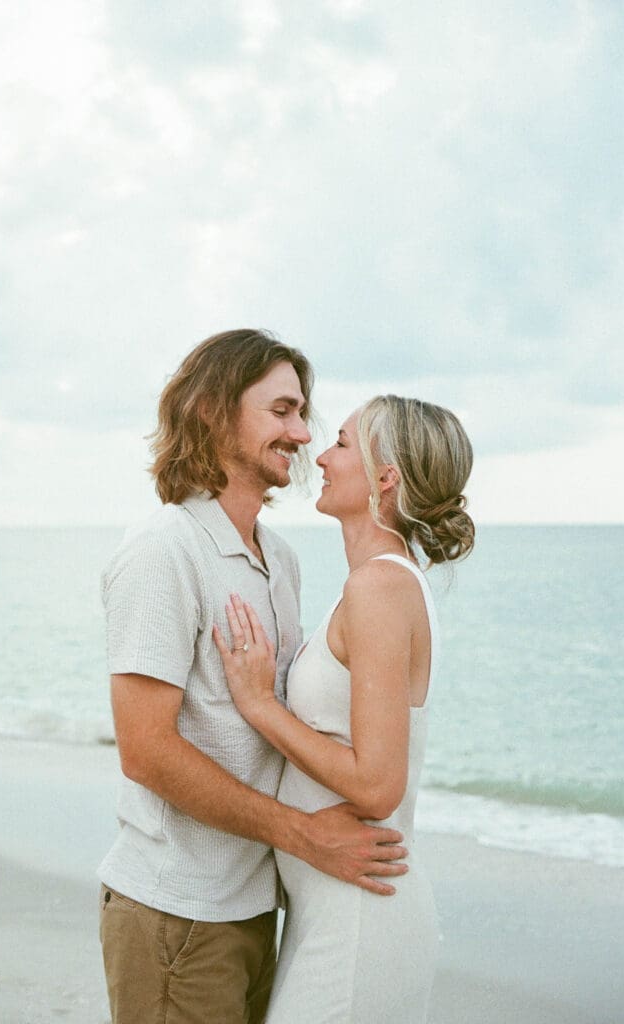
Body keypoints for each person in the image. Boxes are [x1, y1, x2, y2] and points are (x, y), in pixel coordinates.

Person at [98, 331, 408, 1024]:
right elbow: (145, 751)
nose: (301, 433)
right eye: (281, 411)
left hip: (255, 908)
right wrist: (301, 834)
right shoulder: (163, 550)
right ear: (211, 411)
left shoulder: (281, 559)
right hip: (175, 911)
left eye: (304, 413)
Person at [215, 394, 475, 1023]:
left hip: (359, 926)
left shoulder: (381, 586)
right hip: (332, 914)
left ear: (386, 478)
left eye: (340, 442)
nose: (320, 454)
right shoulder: (375, 584)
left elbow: (379, 785)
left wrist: (260, 705)